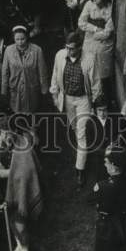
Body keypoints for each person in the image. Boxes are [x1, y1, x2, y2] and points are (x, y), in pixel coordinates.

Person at [0, 107, 44, 251]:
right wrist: (2, 172)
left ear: (14, 132)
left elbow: (26, 172)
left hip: (20, 191)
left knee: (20, 221)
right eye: (3, 133)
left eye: (9, 133)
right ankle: (18, 245)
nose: (6, 137)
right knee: (10, 220)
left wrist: (6, 171)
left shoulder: (23, 144)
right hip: (4, 192)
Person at [50, 32, 101, 187]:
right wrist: (54, 94)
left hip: (83, 99)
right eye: (67, 48)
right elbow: (55, 75)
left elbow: (96, 84)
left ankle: (80, 170)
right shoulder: (60, 55)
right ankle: (81, 152)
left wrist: (95, 103)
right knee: (74, 127)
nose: (69, 51)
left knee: (81, 133)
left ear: (80, 47)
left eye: (72, 48)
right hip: (67, 99)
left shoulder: (90, 59)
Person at [78, 0, 115, 108]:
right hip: (88, 43)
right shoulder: (89, 5)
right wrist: (94, 28)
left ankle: (104, 103)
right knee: (88, 69)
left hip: (103, 46)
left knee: (102, 74)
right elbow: (81, 23)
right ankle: (89, 101)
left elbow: (108, 32)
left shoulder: (110, 8)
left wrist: (95, 35)